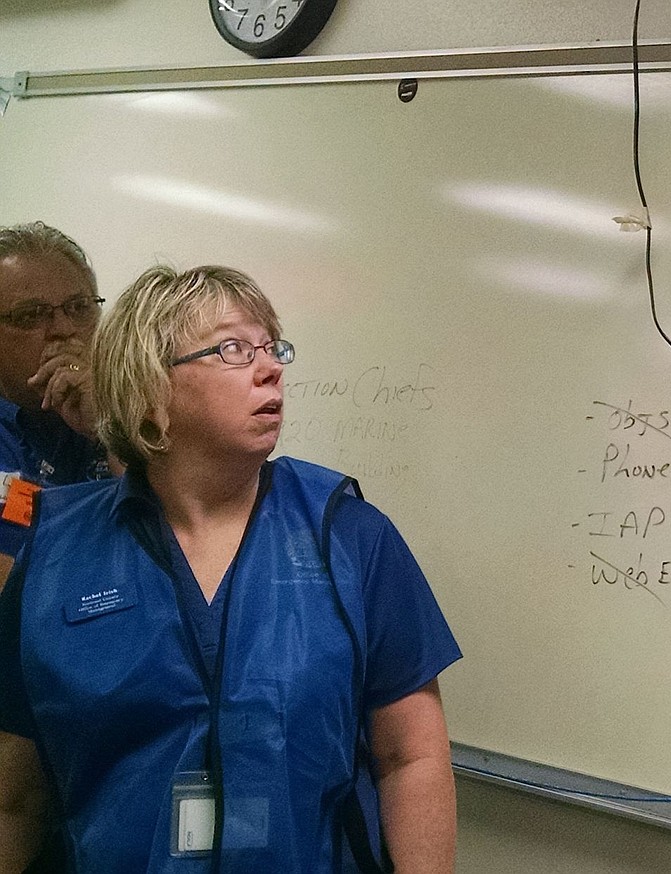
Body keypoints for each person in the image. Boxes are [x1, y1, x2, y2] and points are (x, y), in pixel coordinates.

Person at [0, 265, 461, 873]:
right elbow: (17, 795)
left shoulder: (349, 537)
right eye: (233, 349)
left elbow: (412, 758)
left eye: (273, 348)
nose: (271, 368)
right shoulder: (59, 552)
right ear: (149, 387)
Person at [0, 222, 112, 589]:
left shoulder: (139, 420)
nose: (63, 329)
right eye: (31, 315)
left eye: (79, 308)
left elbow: (183, 551)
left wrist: (109, 427)